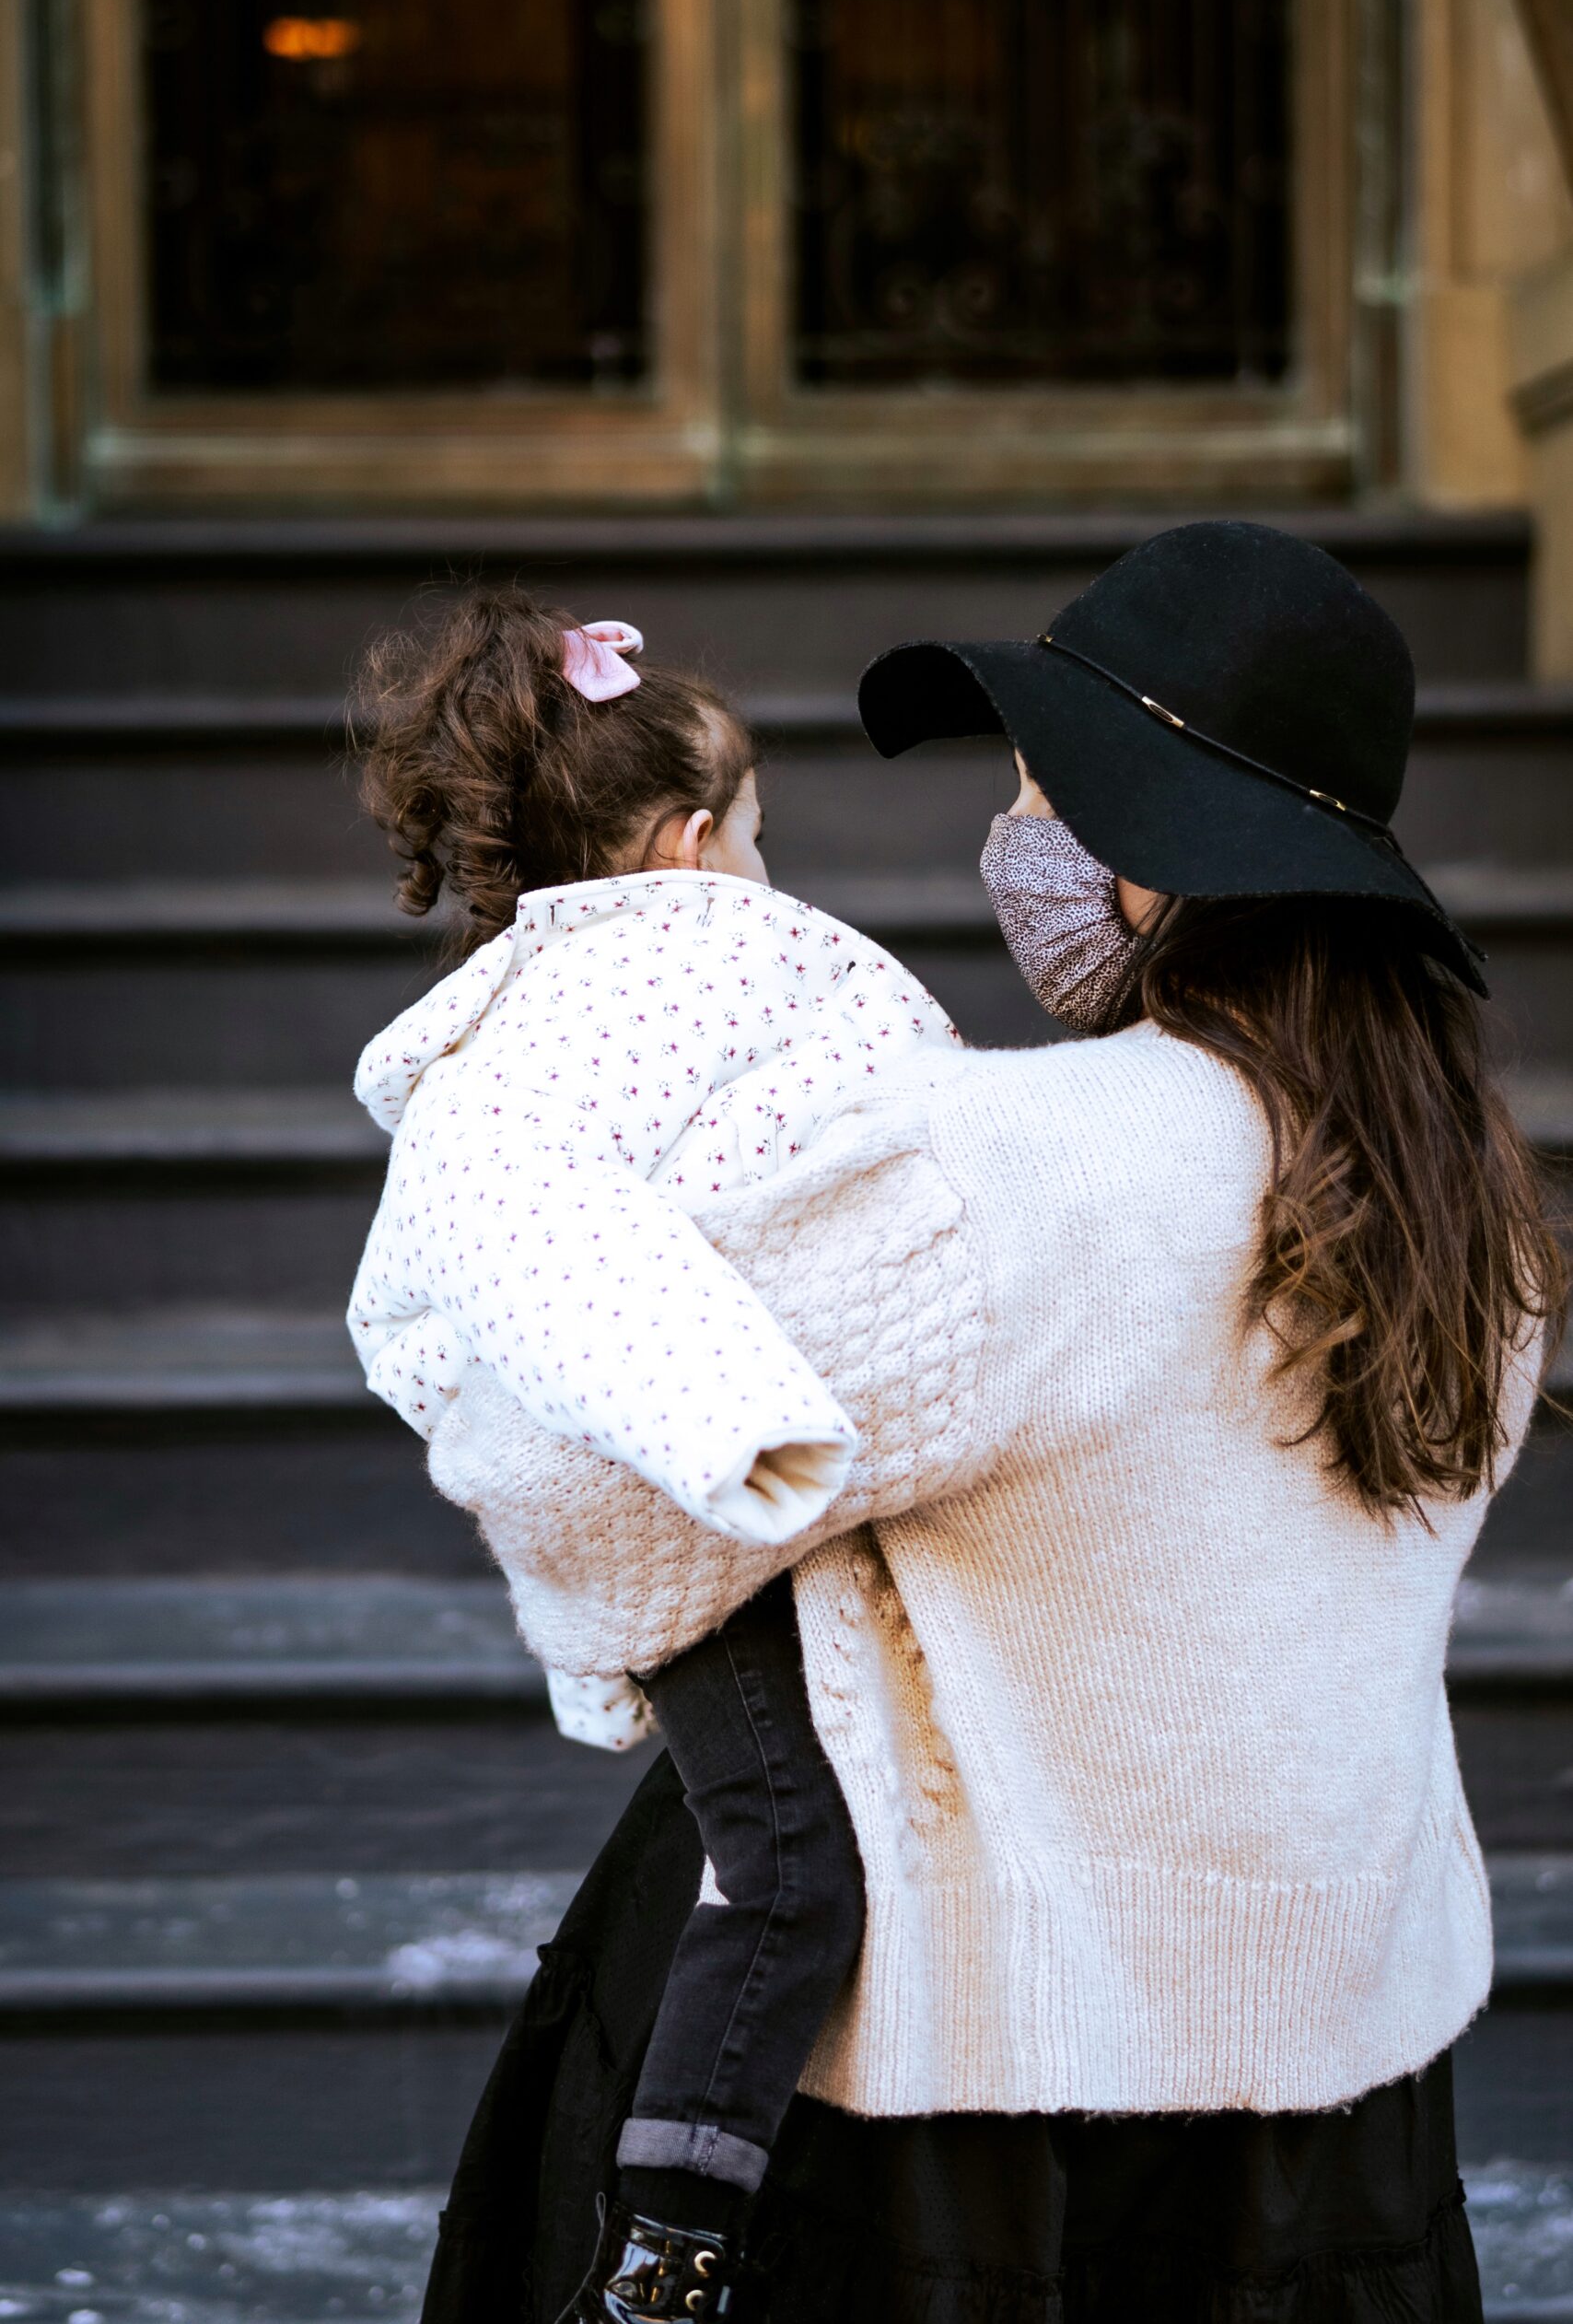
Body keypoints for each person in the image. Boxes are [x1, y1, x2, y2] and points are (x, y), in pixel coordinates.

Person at [418, 523, 1565, 2324]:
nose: (1013, 836)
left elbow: (574, 1468)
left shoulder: (1007, 1166)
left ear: (1147, 864)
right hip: (1336, 2094)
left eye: (1041, 793)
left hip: (954, 2097)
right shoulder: (1467, 1206)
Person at [344, 588, 960, 2316]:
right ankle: (668, 2249)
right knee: (791, 1865)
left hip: (685, 1486)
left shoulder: (511, 1020)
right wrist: (730, 1428)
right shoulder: (706, 964)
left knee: (786, 1844)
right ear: (693, 841)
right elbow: (903, 1146)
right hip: (728, 1482)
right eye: (762, 829)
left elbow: (409, 1305)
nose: (772, 866)